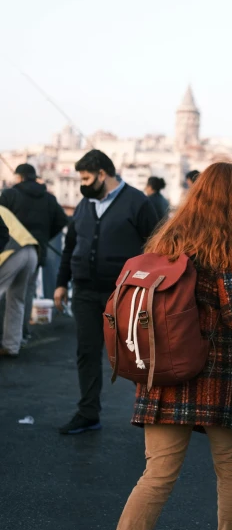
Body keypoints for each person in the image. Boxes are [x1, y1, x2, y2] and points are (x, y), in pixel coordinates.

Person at [104, 162, 232, 530]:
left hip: (163, 372)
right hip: (215, 374)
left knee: (155, 477)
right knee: (231, 472)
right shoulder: (228, 243)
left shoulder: (168, 237)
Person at [54, 150, 160, 435]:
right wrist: (61, 282)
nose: (83, 183)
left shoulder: (138, 202)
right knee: (87, 352)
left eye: (86, 177)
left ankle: (150, 412)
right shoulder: (84, 205)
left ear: (102, 174)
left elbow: (157, 249)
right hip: (85, 291)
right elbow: (70, 246)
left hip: (124, 294)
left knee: (135, 353)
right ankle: (88, 413)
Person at [0, 163, 68, 335]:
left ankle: (4, 335)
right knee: (25, 294)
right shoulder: (48, 198)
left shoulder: (10, 194)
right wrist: (44, 237)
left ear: (19, 177)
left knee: (7, 294)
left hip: (11, 249)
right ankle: (20, 335)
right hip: (36, 251)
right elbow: (62, 221)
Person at [0, 206, 39, 357]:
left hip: (12, 252)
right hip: (31, 250)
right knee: (16, 300)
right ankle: (11, 346)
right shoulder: (2, 208)